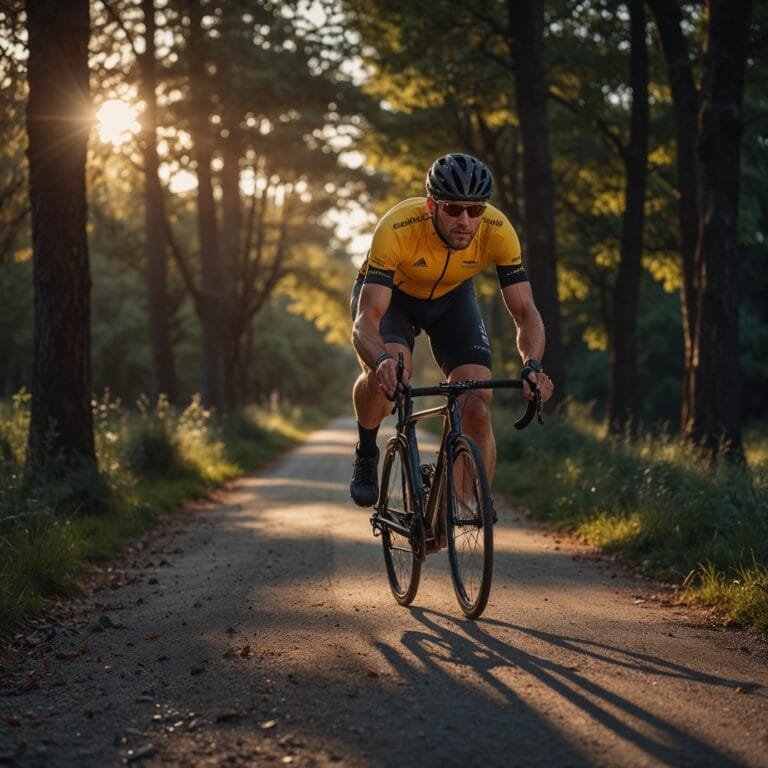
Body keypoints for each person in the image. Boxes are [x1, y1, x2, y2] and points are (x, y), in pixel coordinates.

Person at [349, 152, 555, 507]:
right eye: (453, 208)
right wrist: (380, 358)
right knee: (392, 375)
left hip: (452, 298)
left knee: (476, 403)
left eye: (475, 210)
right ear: (431, 206)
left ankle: (454, 511)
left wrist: (532, 365)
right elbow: (366, 319)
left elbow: (526, 312)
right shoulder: (396, 227)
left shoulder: (499, 231)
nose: (465, 219)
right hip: (392, 297)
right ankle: (367, 451)